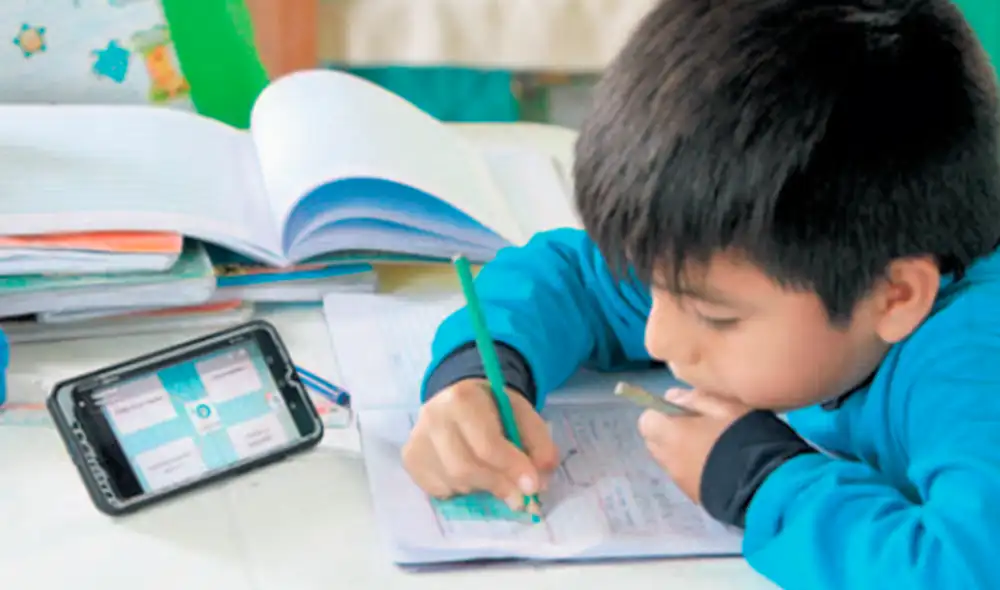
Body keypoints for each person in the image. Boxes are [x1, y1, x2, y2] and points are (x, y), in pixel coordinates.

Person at [400, 0, 1000, 587]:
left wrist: (758, 480)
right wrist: (481, 375)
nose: (659, 337)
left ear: (895, 297)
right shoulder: (768, 256)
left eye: (715, 318)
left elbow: (966, 570)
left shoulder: (972, 364)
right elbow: (571, 276)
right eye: (658, 289)